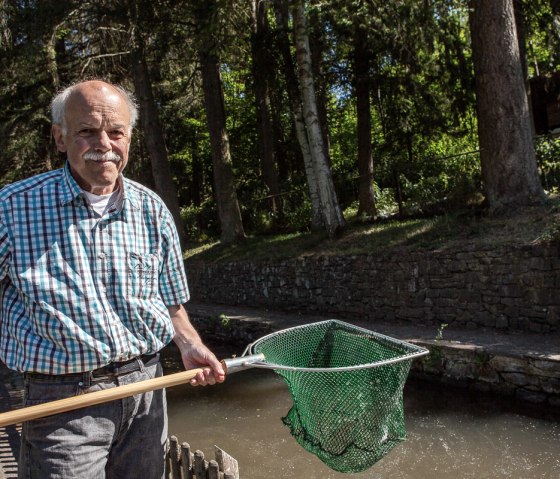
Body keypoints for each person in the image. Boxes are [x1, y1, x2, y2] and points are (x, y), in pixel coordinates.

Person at [0, 80, 225, 479]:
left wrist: (191, 345)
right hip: (61, 404)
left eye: (115, 131)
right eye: (87, 130)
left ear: (129, 139)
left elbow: (169, 299)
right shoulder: (12, 208)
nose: (103, 142)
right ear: (60, 137)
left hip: (146, 392)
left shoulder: (151, 209)